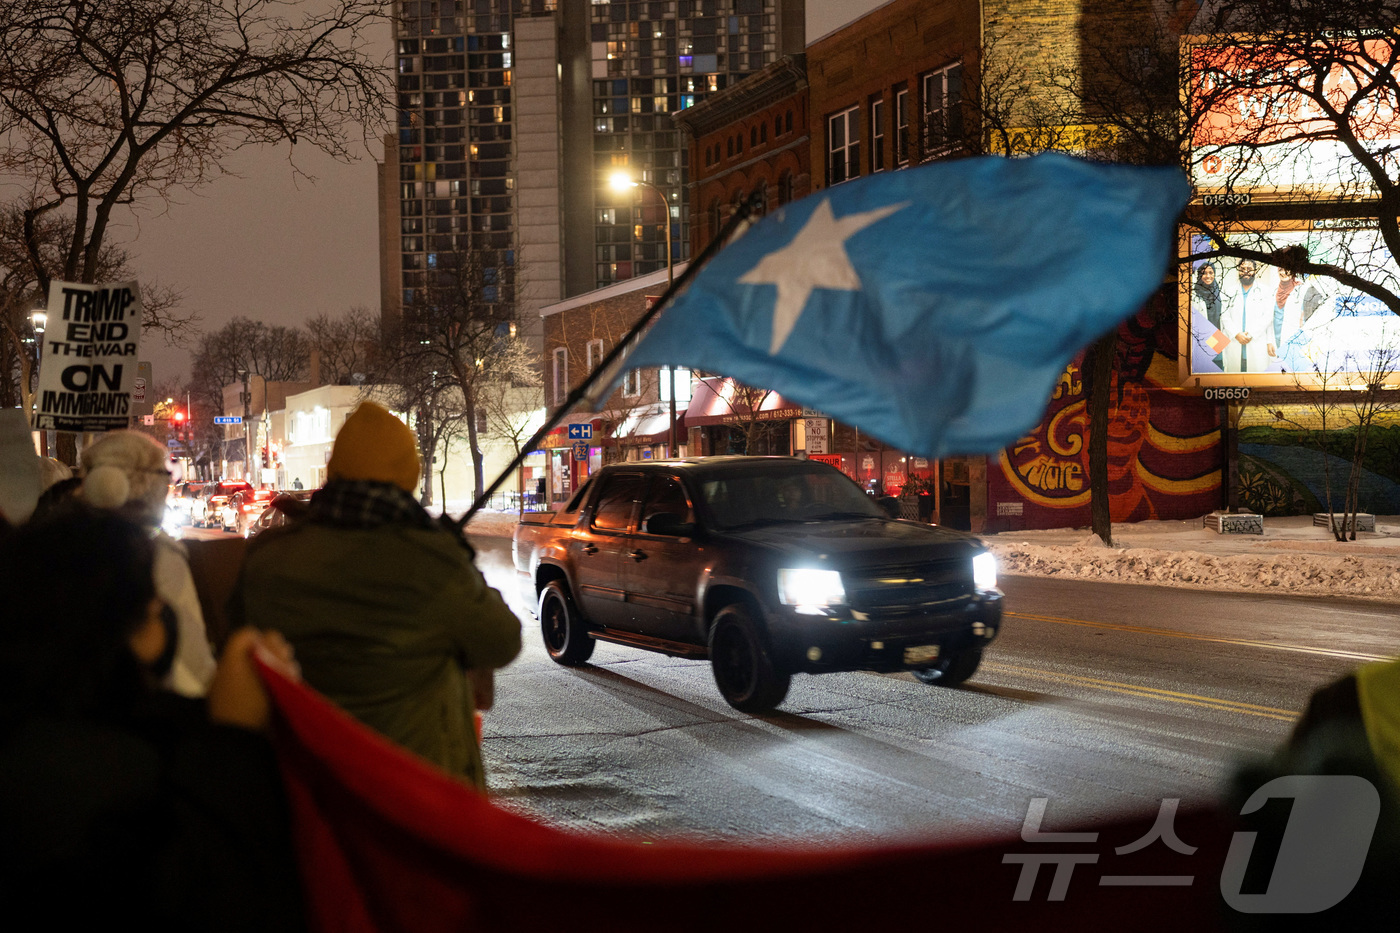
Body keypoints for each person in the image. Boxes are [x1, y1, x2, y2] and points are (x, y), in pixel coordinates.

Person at [0, 505, 304, 931]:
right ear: (123, 624)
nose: (162, 608)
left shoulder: (30, 737)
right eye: (148, 599)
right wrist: (237, 740)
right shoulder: (123, 783)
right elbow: (231, 892)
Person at [230, 401, 521, 790]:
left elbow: (235, 641)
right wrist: (458, 560)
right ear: (409, 477)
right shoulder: (432, 563)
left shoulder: (267, 560)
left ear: (335, 473)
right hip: (413, 798)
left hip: (305, 790)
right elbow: (502, 641)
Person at [79, 429, 218, 697]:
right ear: (146, 483)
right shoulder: (154, 555)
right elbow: (191, 670)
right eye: (165, 477)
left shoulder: (50, 542)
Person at [1219, 259, 1278, 373]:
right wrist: (1236, 334)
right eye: (1242, 269)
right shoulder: (1229, 291)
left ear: (1255, 271)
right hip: (1235, 342)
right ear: (1238, 271)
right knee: (1235, 378)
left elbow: (1268, 316)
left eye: (1249, 269)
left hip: (1256, 341)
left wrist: (1250, 334)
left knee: (1256, 378)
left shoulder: (1265, 291)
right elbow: (1224, 316)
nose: (1246, 272)